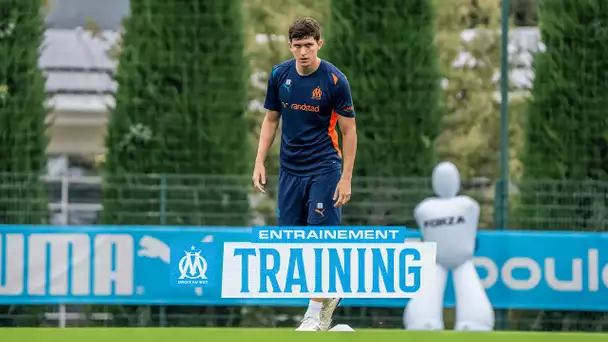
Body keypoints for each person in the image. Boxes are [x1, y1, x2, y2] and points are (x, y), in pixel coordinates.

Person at [251, 17, 357, 331]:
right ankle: (327, 301)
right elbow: (271, 120)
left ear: (319, 44)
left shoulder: (335, 81)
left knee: (319, 241)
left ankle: (313, 312)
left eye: (309, 45)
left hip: (325, 169)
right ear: (290, 46)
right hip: (289, 172)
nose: (303, 52)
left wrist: (346, 177)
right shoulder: (279, 75)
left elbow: (349, 132)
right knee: (292, 243)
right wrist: (259, 161)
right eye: (297, 46)